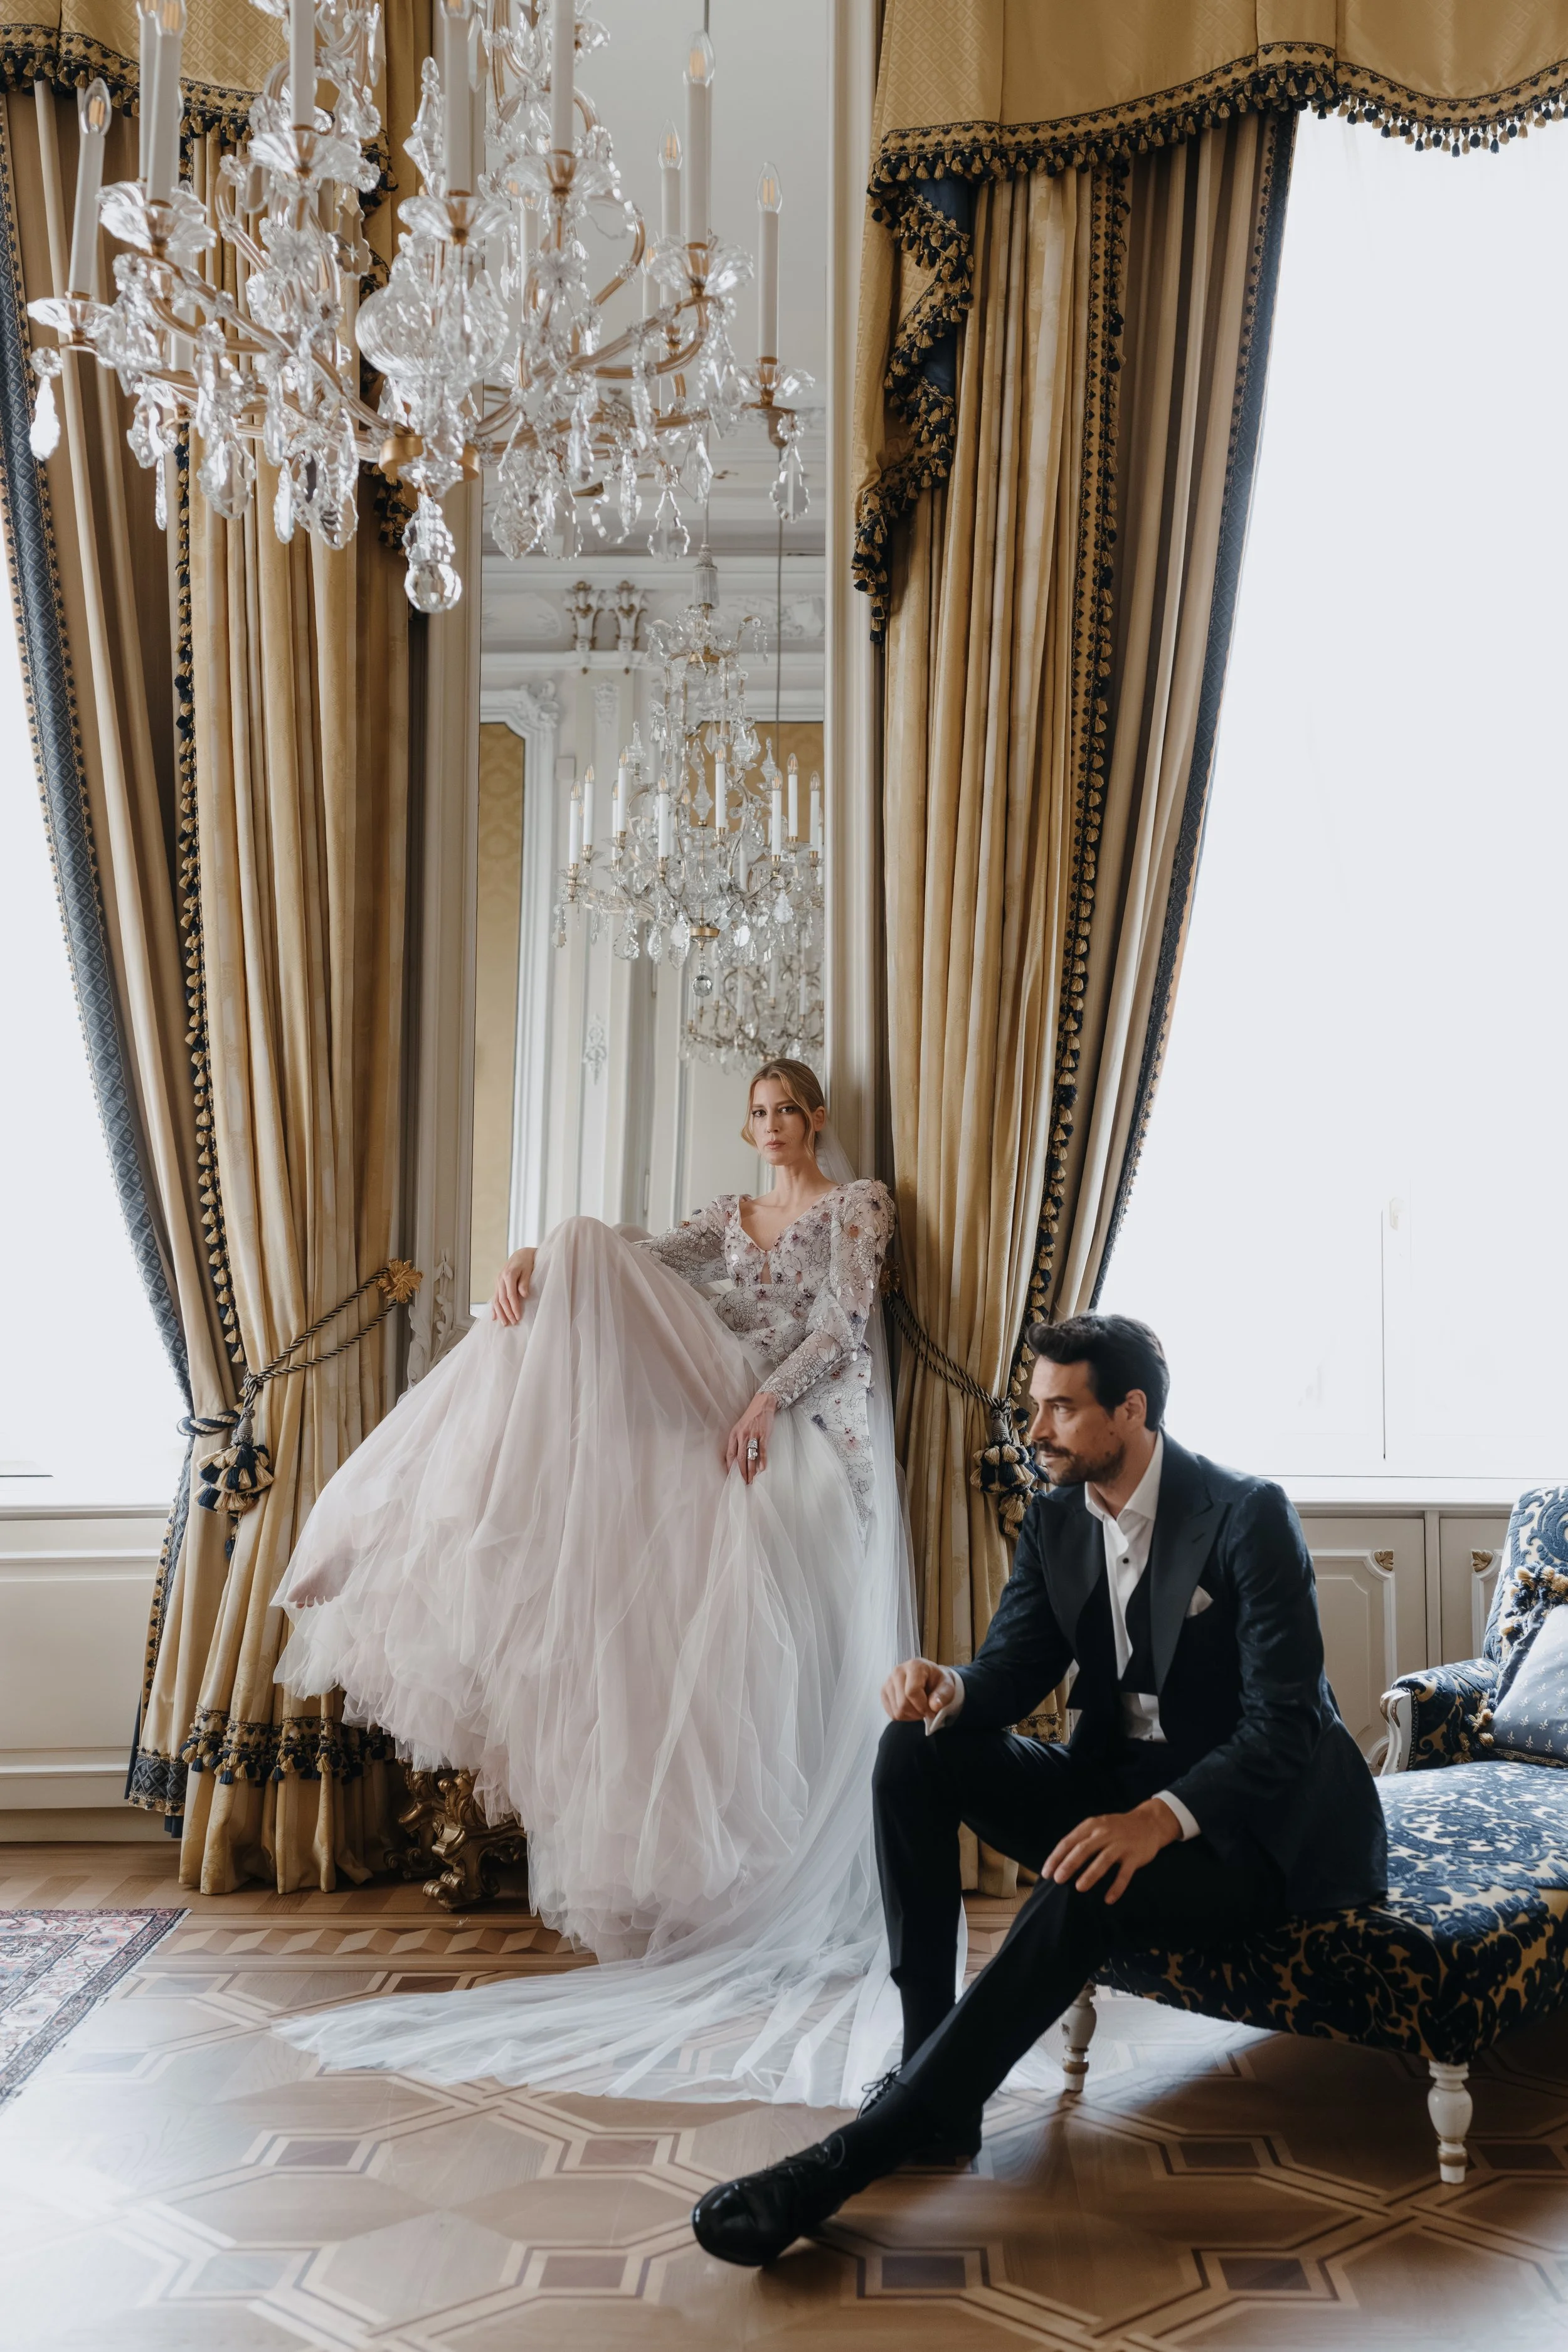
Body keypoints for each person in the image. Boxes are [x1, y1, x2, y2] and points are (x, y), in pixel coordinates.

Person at [270, 1060, 916, 2101]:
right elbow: (641, 1257)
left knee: (575, 1249)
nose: (770, 1128)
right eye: (756, 1114)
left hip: (765, 1393)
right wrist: (526, 1258)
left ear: (816, 1117)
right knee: (566, 1255)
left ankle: (394, 1513)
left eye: (786, 1111)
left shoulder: (856, 1206)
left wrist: (762, 1409)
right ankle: (424, 1512)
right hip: (712, 1378)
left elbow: (844, 1330)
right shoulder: (728, 1211)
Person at [691, 1311, 1388, 2266]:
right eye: (1035, 1405)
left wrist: (1158, 1819)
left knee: (1087, 1880)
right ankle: (933, 2067)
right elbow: (1015, 1666)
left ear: (1131, 1410)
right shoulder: (1058, 1514)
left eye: (1062, 1407)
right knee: (915, 1751)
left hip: (1251, 1829)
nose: (1038, 1427)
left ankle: (863, 2148)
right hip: (1116, 1782)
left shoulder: (1246, 1513)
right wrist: (953, 1686)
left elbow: (1287, 1725)